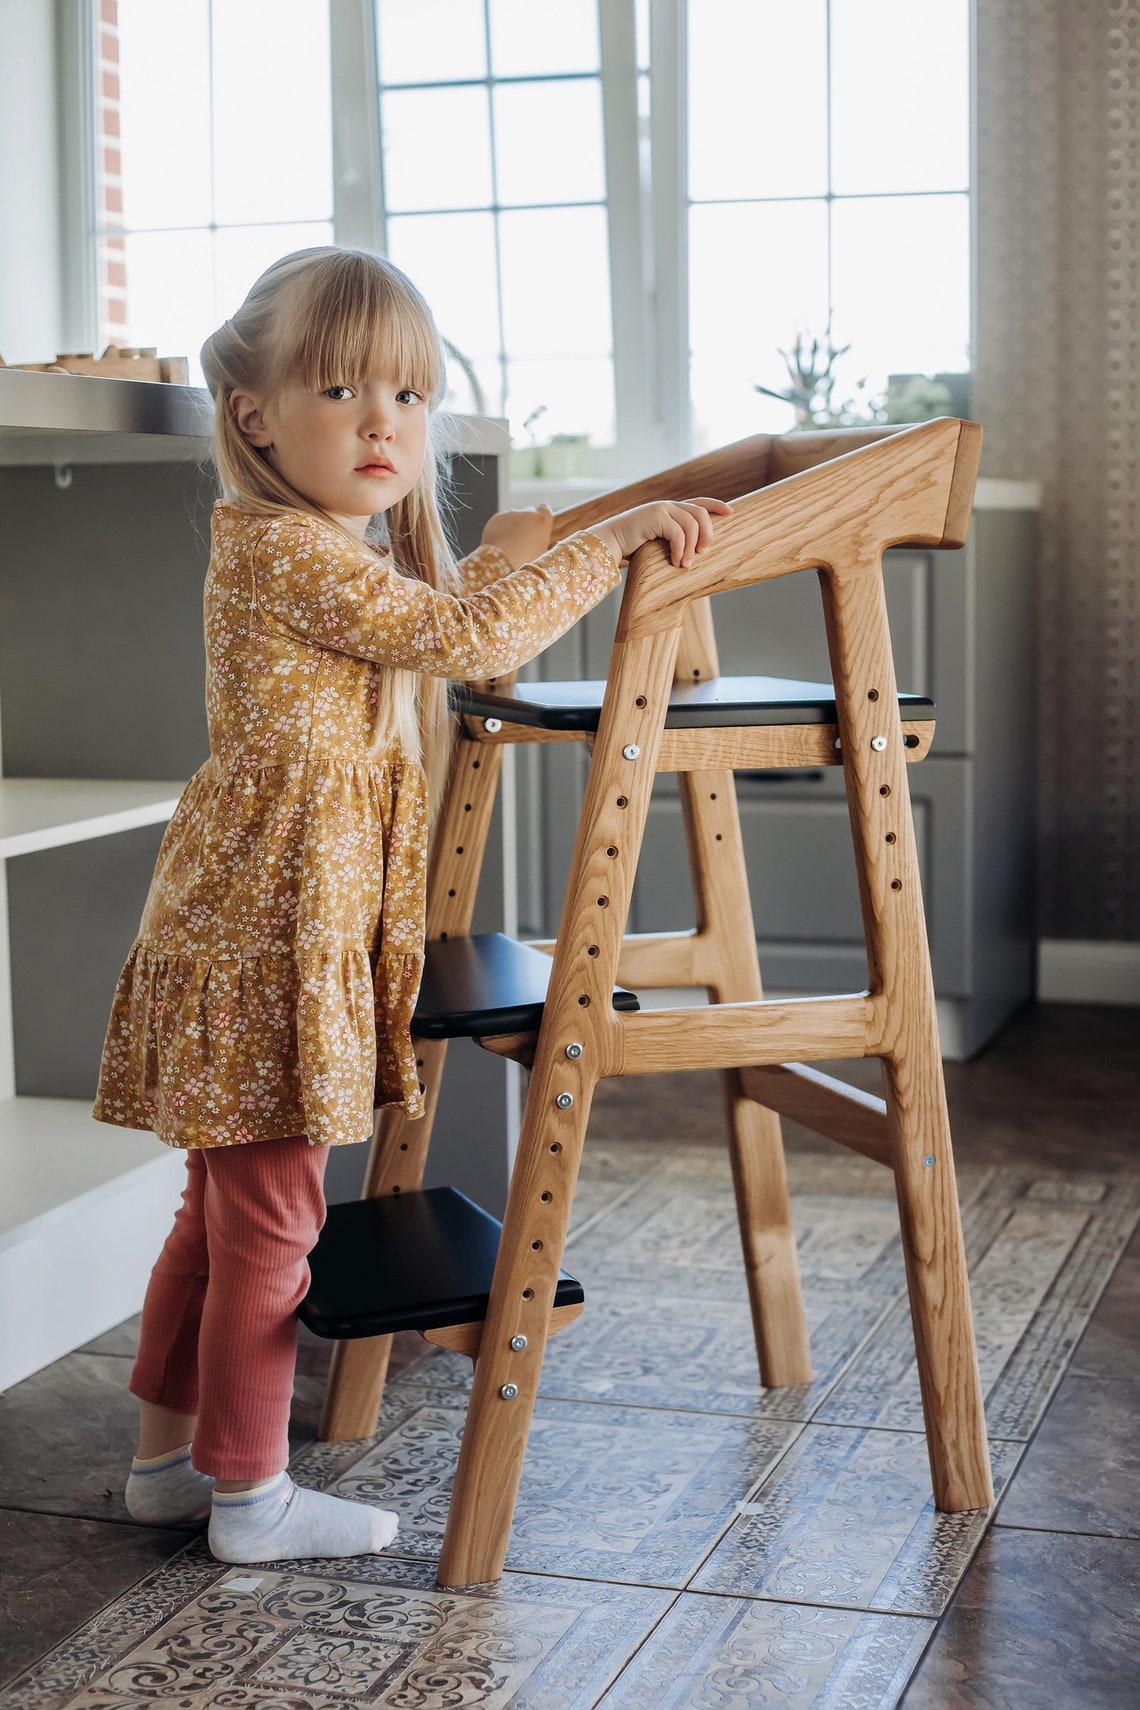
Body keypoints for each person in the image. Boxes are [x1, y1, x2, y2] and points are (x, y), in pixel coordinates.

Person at [92, 245, 730, 1566]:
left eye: (408, 394)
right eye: (341, 389)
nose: (383, 421)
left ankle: (168, 1465)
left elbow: (431, 623)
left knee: (220, 1217)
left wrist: (495, 557)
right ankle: (251, 1495)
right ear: (255, 415)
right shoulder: (286, 549)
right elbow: (464, 642)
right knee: (275, 1222)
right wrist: (611, 541)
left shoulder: (316, 553)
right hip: (269, 945)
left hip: (251, 929)